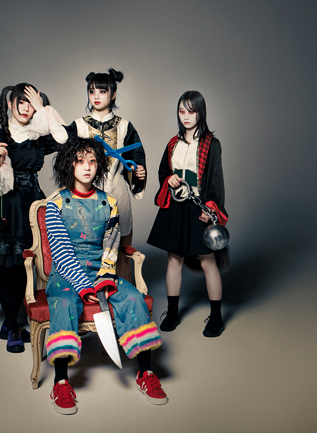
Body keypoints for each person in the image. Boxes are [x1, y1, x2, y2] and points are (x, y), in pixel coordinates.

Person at [45, 135, 167, 415]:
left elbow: (112, 245)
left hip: (102, 270)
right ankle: (61, 382)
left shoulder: (109, 202)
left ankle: (146, 373)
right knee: (65, 303)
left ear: (99, 164)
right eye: (80, 161)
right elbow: (61, 252)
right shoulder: (56, 203)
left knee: (133, 297)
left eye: (92, 161)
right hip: (66, 274)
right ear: (69, 164)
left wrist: (104, 277)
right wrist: (83, 286)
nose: (87, 166)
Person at [0, 83, 67, 353]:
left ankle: (14, 321)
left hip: (33, 206)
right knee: (9, 269)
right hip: (6, 207)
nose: (25, 108)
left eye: (30, 103)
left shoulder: (38, 138)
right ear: (10, 104)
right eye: (21, 101)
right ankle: (13, 327)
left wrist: (44, 110)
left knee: (29, 267)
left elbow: (66, 140)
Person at [147, 90, 229, 337]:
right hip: (176, 207)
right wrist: (169, 179)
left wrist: (210, 209)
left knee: (207, 261)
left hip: (199, 206)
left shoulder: (211, 144)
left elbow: (215, 181)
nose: (186, 116)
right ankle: (173, 312)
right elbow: (163, 171)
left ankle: (216, 317)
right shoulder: (173, 143)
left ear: (200, 113)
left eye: (191, 111)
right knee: (174, 260)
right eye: (182, 111)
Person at [66, 68, 146, 283]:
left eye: (102, 91)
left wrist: (138, 170)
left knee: (120, 252)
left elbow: (137, 156)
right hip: (84, 197)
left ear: (113, 94)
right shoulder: (78, 125)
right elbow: (62, 152)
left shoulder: (125, 126)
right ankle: (87, 296)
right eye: (92, 91)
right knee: (83, 250)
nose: (96, 96)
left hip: (117, 193)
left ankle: (123, 297)